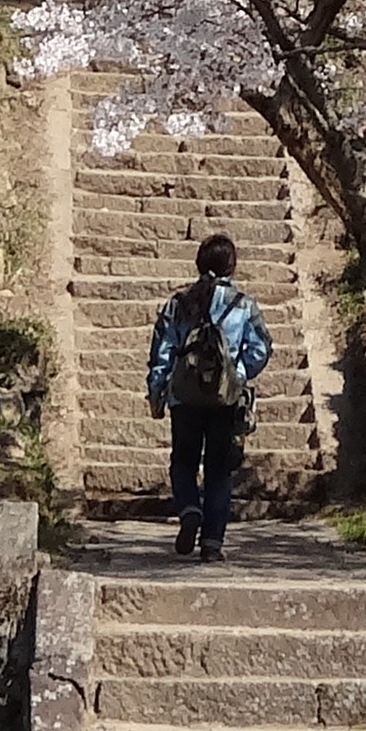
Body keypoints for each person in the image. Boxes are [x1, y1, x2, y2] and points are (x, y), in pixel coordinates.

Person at [142, 231, 272, 559]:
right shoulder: (244, 305)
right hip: (225, 400)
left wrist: (158, 388)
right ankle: (212, 544)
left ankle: (188, 509)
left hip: (184, 396)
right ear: (232, 266)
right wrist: (236, 376)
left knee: (183, 461)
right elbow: (260, 349)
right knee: (219, 469)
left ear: (199, 262)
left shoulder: (179, 302)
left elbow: (164, 348)